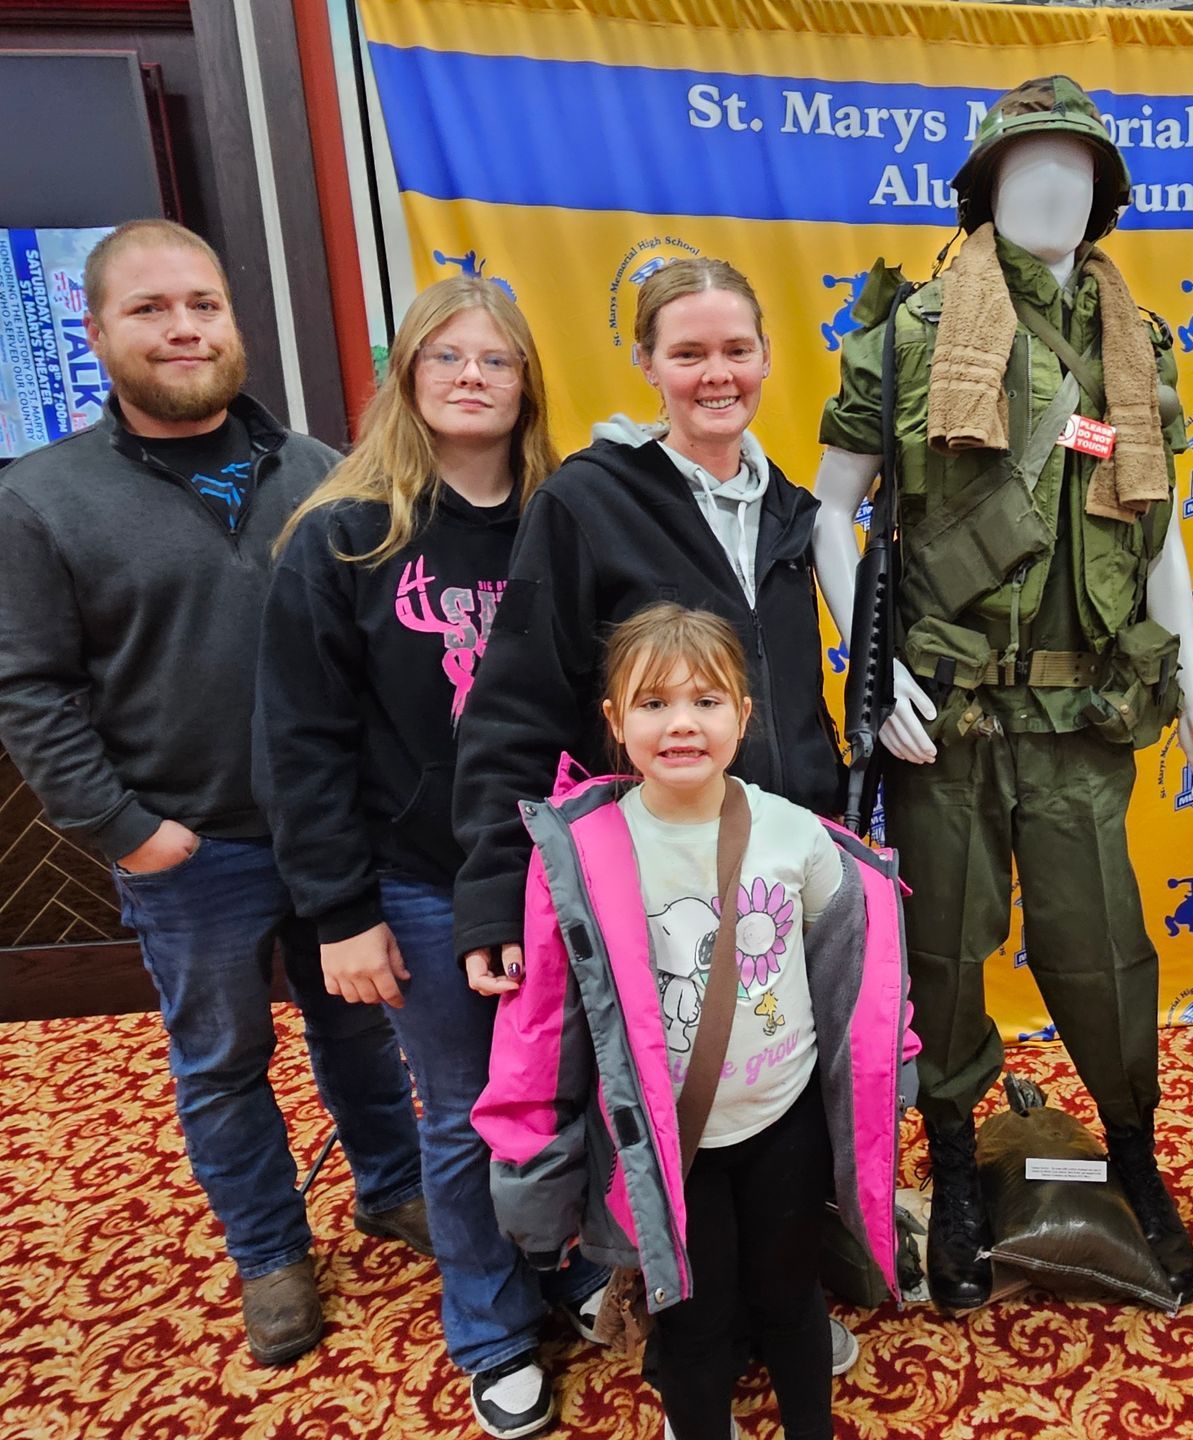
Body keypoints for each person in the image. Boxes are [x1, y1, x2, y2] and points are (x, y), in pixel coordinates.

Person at [814, 74, 1193, 1312]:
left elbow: (1156, 537)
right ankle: (948, 1155)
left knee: (1101, 956)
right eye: (1026, 167)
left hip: (1086, 719)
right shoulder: (905, 336)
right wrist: (872, 668)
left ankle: (1137, 1156)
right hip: (944, 714)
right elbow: (831, 510)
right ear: (982, 189)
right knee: (939, 959)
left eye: (1079, 169)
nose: (1054, 186)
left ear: (1107, 197)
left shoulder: (1138, 345)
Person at [0, 219, 425, 1366]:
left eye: (203, 304)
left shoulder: (321, 471)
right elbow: (29, 690)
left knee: (360, 1034)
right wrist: (127, 833)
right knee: (222, 1059)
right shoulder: (39, 500)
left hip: (334, 834)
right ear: (95, 334)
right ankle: (271, 1255)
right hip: (192, 851)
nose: (183, 328)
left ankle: (392, 1187)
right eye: (149, 309)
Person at [450, 256, 857, 1377]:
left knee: (776, 1093)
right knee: (663, 1100)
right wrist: (490, 882)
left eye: (736, 350)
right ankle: (677, 1318)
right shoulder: (587, 501)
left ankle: (780, 1299)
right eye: (689, 352)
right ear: (645, 364)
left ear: (768, 359)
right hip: (652, 870)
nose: (716, 374)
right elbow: (515, 701)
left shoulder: (791, 507)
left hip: (779, 853)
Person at [256, 276, 607, 1435]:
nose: (471, 376)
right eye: (447, 357)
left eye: (496, 360)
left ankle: (571, 1266)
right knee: (465, 1114)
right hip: (416, 878)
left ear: (526, 385)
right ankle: (494, 1326)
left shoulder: (568, 518)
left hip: (567, 866)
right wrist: (339, 913)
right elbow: (300, 742)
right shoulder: (344, 539)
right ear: (407, 377)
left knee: (580, 1092)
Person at [474, 604, 915, 1440]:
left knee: (791, 1300)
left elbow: (862, 970)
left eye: (707, 700)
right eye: (653, 703)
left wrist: (897, 1065)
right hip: (667, 1148)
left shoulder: (794, 836)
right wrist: (528, 1150)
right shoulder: (584, 854)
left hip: (783, 1124)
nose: (682, 723)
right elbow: (540, 1023)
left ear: (744, 715)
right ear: (615, 721)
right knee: (694, 1317)